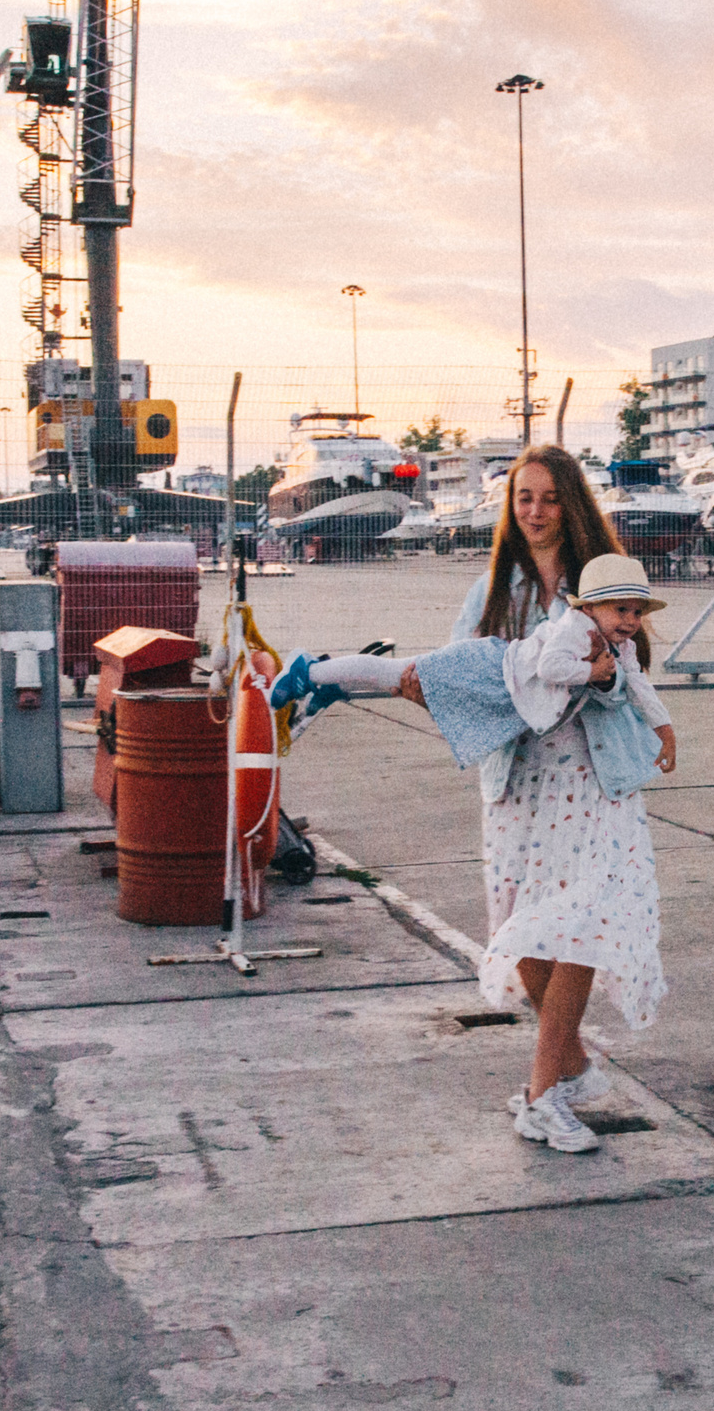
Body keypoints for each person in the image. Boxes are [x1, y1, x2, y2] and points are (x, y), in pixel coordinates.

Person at [395, 446, 675, 1153]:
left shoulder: (600, 580)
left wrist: (611, 678)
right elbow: (461, 671)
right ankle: (570, 1062)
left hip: (591, 778)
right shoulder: (497, 589)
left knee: (581, 923)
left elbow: (638, 660)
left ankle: (543, 1094)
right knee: (525, 927)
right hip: (518, 781)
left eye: (550, 497)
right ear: (509, 505)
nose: (536, 510)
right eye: (524, 497)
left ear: (571, 502)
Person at [269, 556, 677, 781]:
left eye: (637, 612)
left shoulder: (613, 643)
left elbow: (638, 686)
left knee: (397, 677)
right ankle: (310, 669)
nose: (630, 621)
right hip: (488, 668)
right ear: (589, 607)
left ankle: (333, 684)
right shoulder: (576, 629)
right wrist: (592, 674)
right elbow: (553, 668)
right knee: (399, 674)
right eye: (620, 609)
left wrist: (665, 731)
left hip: (504, 686)